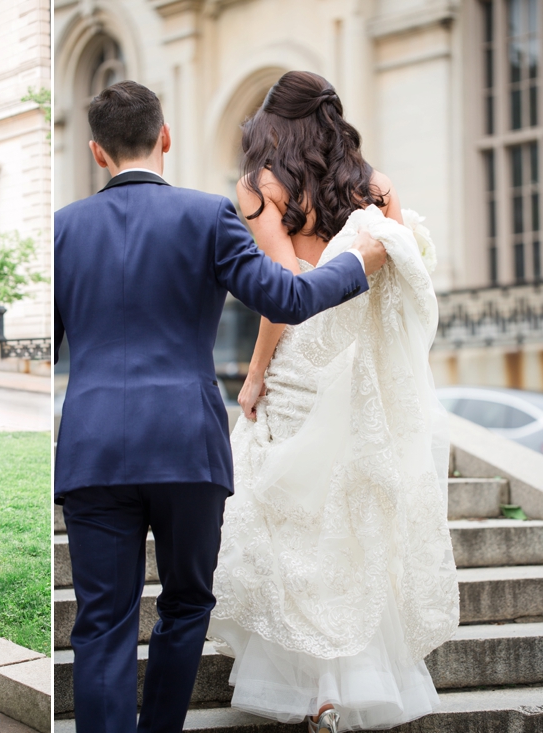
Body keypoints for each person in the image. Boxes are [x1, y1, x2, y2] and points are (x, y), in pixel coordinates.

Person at [53, 79, 388, 733]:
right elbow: (286, 298)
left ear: (97, 152)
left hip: (92, 449)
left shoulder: (62, 230)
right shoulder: (208, 216)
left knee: (101, 619)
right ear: (166, 138)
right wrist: (360, 265)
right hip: (186, 447)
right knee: (185, 604)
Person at [208, 71, 459, 732]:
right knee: (351, 518)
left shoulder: (261, 186)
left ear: (273, 122)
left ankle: (314, 686)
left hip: (300, 366)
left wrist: (255, 373)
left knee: (294, 517)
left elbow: (281, 294)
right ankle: (341, 684)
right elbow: (397, 284)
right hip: (360, 370)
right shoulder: (375, 187)